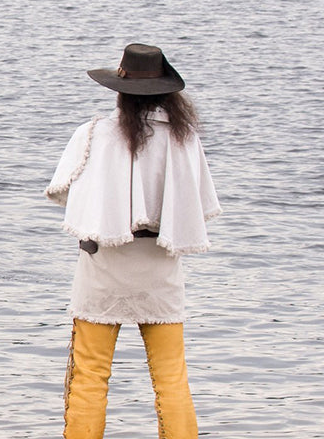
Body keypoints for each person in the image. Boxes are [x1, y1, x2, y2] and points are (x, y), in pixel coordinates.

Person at [45, 43, 221, 439]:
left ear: (120, 92)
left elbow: (63, 195)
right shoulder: (184, 137)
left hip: (103, 265)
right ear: (166, 93)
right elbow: (199, 203)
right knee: (170, 375)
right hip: (160, 263)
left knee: (90, 373)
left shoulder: (94, 134)